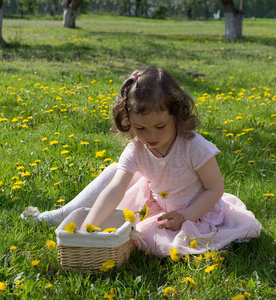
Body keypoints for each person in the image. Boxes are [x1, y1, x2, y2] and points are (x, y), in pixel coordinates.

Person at [21, 66, 261, 257]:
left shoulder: (192, 146)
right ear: (128, 121)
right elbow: (114, 190)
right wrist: (88, 229)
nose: (150, 136)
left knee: (168, 242)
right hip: (157, 204)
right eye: (140, 128)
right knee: (116, 175)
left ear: (176, 115)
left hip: (196, 211)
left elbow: (214, 189)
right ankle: (64, 215)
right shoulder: (137, 148)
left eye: (159, 126)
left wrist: (185, 216)